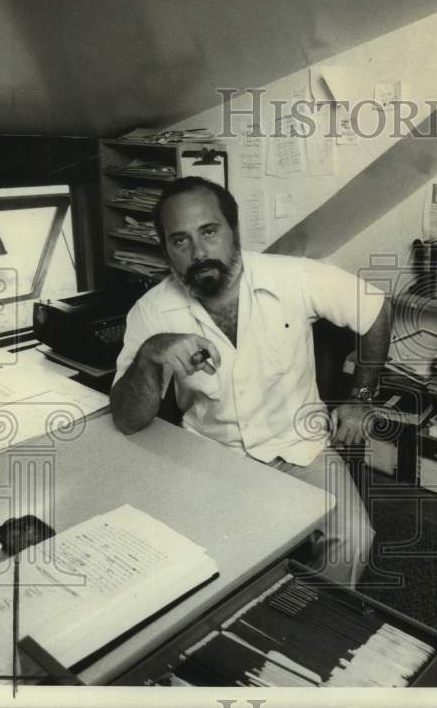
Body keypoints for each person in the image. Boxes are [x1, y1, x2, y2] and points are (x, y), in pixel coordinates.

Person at [110, 177, 389, 588]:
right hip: (213, 458)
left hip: (299, 447)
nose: (199, 252)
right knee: (203, 563)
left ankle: (314, 613)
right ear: (166, 249)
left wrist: (361, 397)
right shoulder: (150, 313)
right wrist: (151, 353)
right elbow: (127, 419)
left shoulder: (292, 277)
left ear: (234, 230)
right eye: (180, 241)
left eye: (209, 232)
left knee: (352, 537)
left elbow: (375, 308)